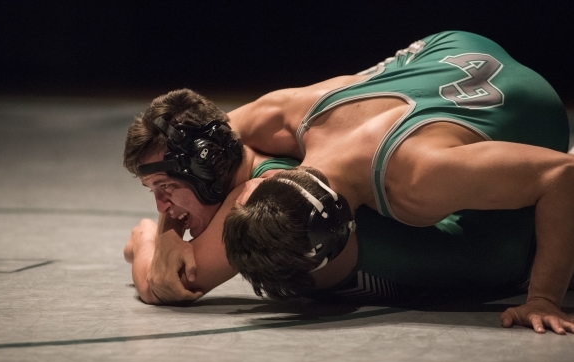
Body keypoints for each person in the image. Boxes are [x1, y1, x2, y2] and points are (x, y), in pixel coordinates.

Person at [124, 31, 574, 334]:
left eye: (166, 192)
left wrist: (544, 299)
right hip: (451, 54)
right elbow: (207, 137)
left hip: (525, 108)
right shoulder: (285, 112)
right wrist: (168, 233)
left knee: (497, 258)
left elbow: (559, 173)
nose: (164, 208)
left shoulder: (416, 178)